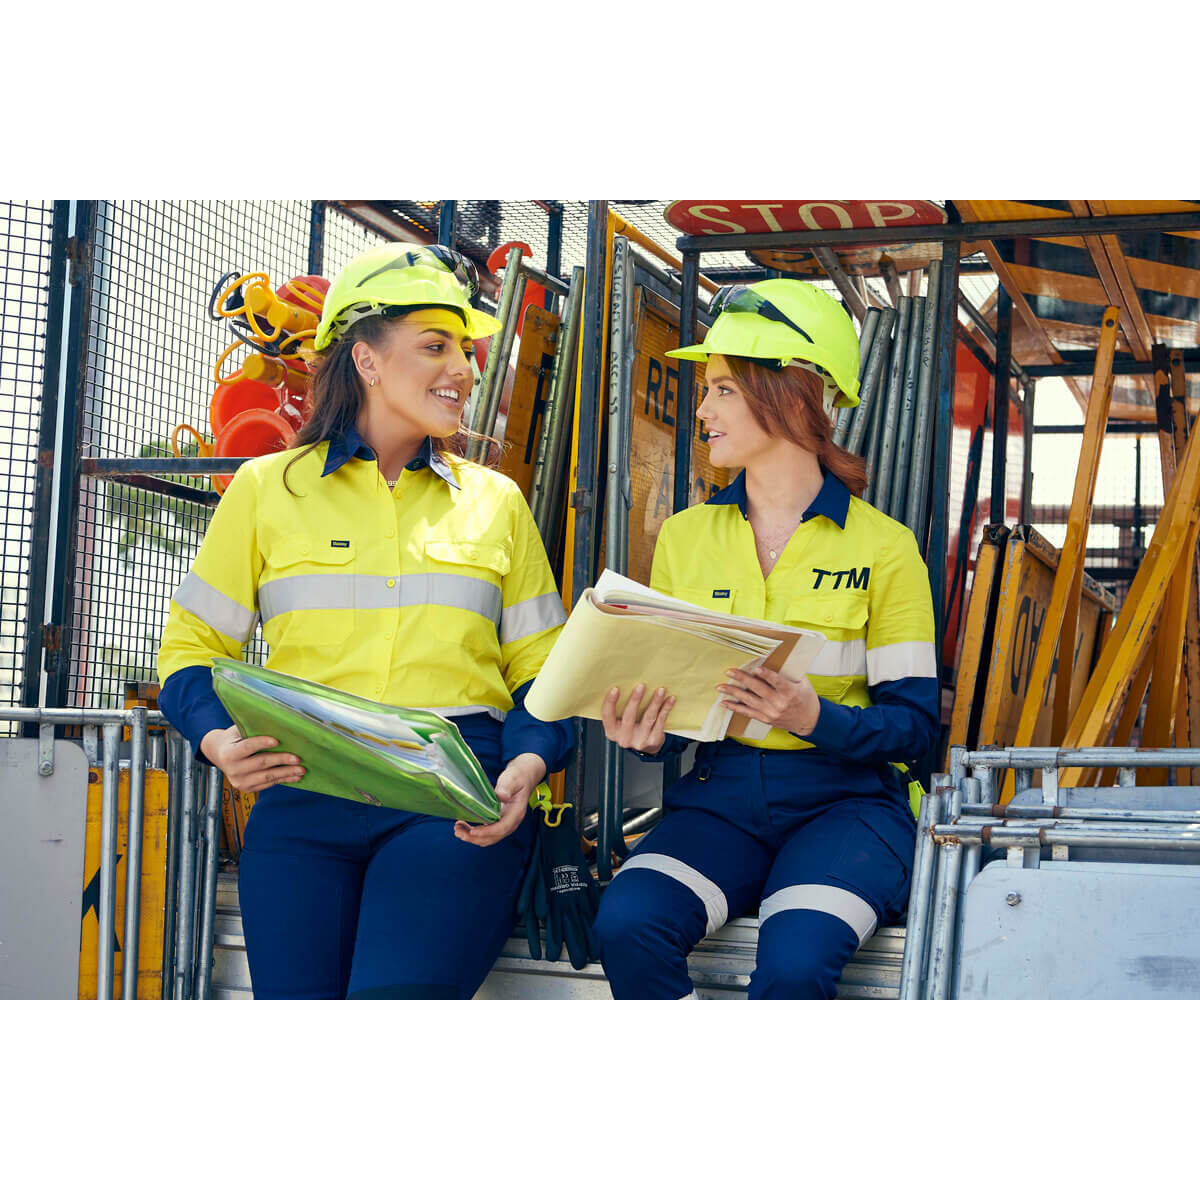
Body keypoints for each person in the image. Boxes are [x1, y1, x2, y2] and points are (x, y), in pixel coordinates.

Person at [157, 243, 572, 999]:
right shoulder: (265, 490)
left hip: (450, 800)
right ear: (367, 360)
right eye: (436, 347)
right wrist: (220, 741)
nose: (464, 370)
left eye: (467, 352)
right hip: (301, 793)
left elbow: (545, 668)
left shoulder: (497, 503)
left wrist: (529, 763)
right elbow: (191, 646)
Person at [592, 279, 938, 1000]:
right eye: (707, 391)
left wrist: (815, 718)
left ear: (792, 395)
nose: (703, 410)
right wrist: (649, 736)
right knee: (627, 924)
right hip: (719, 797)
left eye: (723, 389)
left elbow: (913, 729)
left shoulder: (887, 548)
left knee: (796, 961)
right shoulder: (684, 536)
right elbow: (682, 702)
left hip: (847, 804)